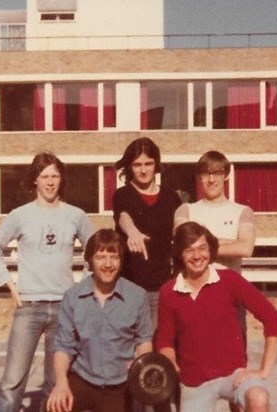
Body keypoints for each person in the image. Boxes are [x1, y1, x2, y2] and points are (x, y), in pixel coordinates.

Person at [0, 152, 95, 412]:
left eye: (55, 176)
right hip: (29, 307)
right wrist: (8, 283)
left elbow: (96, 250)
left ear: (62, 179)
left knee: (55, 383)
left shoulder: (76, 215)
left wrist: (83, 287)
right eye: (44, 176)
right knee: (12, 383)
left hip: (64, 309)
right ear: (35, 180)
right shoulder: (20, 215)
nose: (50, 182)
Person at [155, 222, 277, 412]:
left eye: (202, 248)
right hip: (194, 383)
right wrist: (173, 365)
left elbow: (273, 320)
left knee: (258, 397)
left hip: (234, 376)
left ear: (211, 250)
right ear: (180, 254)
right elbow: (165, 341)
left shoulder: (229, 280)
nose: (197, 255)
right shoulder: (168, 292)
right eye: (189, 250)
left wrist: (263, 370)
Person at [173, 150, 256, 412]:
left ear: (226, 176)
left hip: (230, 303)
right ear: (199, 177)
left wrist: (201, 245)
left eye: (217, 173)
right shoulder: (186, 209)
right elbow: (181, 245)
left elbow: (246, 248)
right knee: (193, 378)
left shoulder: (243, 211)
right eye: (206, 173)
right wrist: (226, 242)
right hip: (193, 299)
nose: (211, 179)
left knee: (235, 379)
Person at [46, 229, 153, 412]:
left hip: (119, 384)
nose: (108, 264)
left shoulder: (137, 296)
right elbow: (63, 346)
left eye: (114, 257)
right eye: (101, 257)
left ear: (121, 261)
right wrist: (61, 384)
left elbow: (144, 341)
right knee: (53, 407)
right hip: (83, 378)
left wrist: (138, 366)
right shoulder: (73, 296)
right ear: (90, 261)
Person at [112, 137, 182, 411]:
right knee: (133, 358)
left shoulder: (171, 197)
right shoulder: (123, 194)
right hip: (130, 290)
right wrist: (132, 232)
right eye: (137, 164)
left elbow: (180, 232)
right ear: (129, 167)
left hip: (162, 289)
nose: (142, 170)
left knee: (160, 355)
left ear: (157, 165)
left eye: (148, 163)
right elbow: (124, 217)